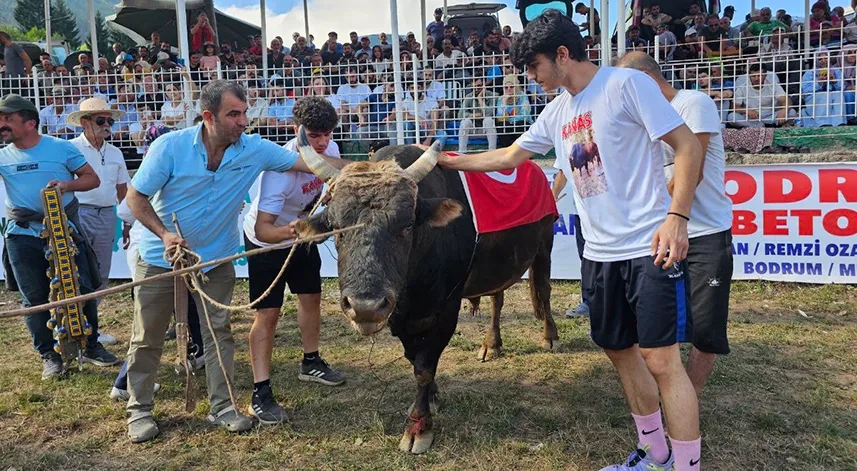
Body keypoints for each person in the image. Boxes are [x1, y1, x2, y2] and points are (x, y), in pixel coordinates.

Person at [436, 11, 704, 471]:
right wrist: (446, 160)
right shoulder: (557, 110)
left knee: (661, 362)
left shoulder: (626, 85)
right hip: (599, 255)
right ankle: (653, 452)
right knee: (619, 352)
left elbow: (687, 146)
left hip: (647, 247)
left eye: (535, 67)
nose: (532, 78)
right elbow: (508, 155)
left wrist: (677, 216)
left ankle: (687, 466)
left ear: (563, 54)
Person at [122, 80, 348, 443]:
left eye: (245, 112)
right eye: (234, 114)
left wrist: (370, 167)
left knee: (218, 335)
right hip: (159, 257)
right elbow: (136, 198)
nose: (243, 121)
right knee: (147, 337)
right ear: (208, 116)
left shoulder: (255, 149)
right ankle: (139, 410)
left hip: (216, 258)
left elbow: (311, 162)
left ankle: (223, 407)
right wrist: (165, 235)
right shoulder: (169, 147)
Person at [618, 52, 734, 397]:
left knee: (706, 326)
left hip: (703, 234)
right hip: (660, 235)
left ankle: (688, 397)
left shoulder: (693, 104)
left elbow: (690, 172)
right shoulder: (645, 120)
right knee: (652, 321)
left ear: (645, 82)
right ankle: (667, 392)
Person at [0, 94, 120, 380]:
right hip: (22, 234)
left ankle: (91, 346)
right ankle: (49, 356)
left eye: (7, 119)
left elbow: (92, 179)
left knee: (84, 287)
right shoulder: (3, 155)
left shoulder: (60, 148)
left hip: (64, 229)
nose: (2, 124)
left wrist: (67, 184)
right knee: (35, 298)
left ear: (30, 123)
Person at [243, 97, 346, 425]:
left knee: (311, 297)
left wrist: (327, 199)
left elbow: (329, 185)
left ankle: (311, 362)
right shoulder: (280, 170)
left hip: (302, 233)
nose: (323, 142)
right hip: (267, 243)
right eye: (315, 135)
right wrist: (304, 230)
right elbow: (264, 228)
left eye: (328, 134)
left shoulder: (333, 152)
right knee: (268, 314)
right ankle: (260, 391)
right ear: (296, 130)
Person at [67, 98, 130, 346]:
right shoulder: (70, 149)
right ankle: (78, 327)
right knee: (78, 271)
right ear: (84, 123)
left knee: (101, 273)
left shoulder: (115, 152)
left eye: (109, 120)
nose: (107, 125)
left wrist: (127, 223)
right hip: (78, 212)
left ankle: (91, 327)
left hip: (107, 213)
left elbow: (123, 190)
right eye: (100, 120)